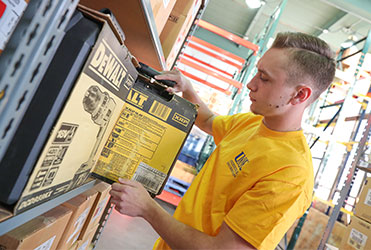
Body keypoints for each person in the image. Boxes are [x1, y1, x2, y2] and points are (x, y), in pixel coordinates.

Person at [109, 32, 336, 249]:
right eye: (257, 72)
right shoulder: (251, 123)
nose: (251, 84)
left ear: (300, 95)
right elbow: (208, 120)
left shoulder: (290, 174)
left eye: (264, 78)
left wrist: (148, 209)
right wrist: (187, 88)